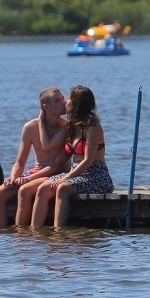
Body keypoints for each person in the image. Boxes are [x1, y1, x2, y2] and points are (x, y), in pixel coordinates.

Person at [30, 85, 113, 228]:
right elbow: (53, 150)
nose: (65, 101)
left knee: (62, 188)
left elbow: (88, 160)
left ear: (77, 104)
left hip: (95, 174)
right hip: (76, 173)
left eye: (69, 98)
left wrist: (65, 177)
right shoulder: (73, 125)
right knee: (43, 188)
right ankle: (35, 231)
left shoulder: (92, 126)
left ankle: (58, 232)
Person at [0, 87, 67, 228]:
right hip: (36, 171)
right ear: (45, 106)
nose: (64, 102)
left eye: (63, 98)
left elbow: (56, 165)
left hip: (55, 173)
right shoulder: (30, 127)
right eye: (58, 100)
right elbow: (20, 162)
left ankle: (21, 236)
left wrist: (28, 179)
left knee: (24, 190)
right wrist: (13, 178)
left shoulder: (66, 128)